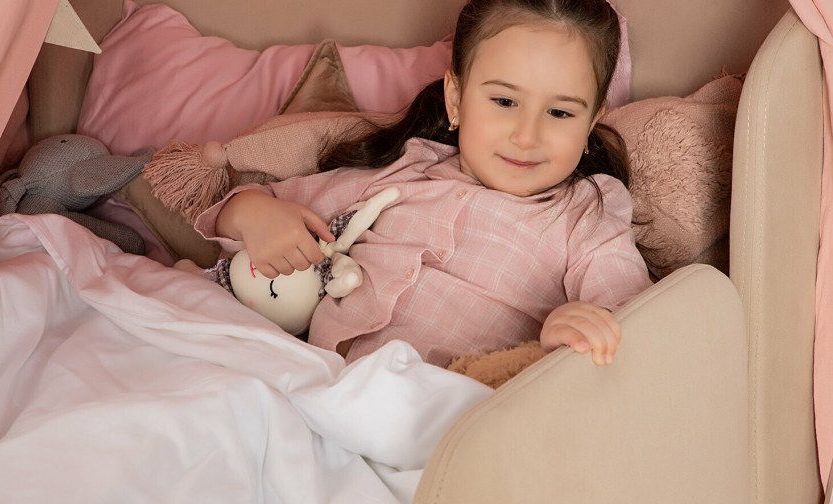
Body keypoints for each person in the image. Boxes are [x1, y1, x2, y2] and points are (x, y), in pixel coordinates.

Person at [193, 0, 652, 368]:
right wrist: (253, 213)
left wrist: (570, 333)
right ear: (456, 98)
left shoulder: (585, 212)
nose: (527, 136)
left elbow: (634, 316)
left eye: (560, 112)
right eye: (504, 101)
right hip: (327, 381)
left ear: (591, 123)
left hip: (458, 408)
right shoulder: (408, 168)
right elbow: (258, 208)